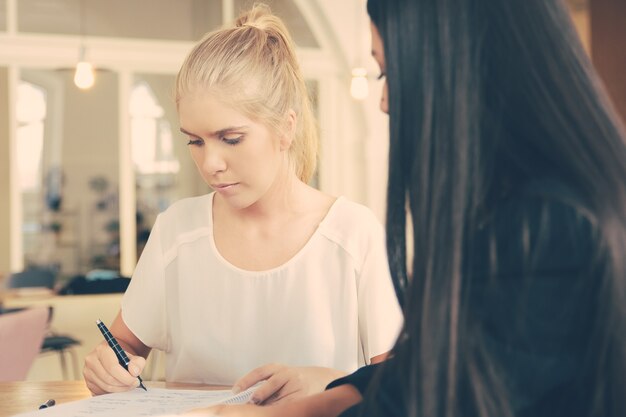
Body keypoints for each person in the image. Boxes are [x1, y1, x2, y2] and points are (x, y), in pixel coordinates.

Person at [195, 0, 626, 416]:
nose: (383, 100)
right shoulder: (536, 209)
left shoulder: (550, 232)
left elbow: (438, 402)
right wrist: (310, 405)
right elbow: (432, 372)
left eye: (390, 71)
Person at [82, 4, 402, 404]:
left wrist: (331, 381)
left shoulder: (354, 234)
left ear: (287, 127)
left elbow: (400, 386)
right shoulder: (177, 230)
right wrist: (107, 368)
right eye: (195, 141)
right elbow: (124, 349)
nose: (210, 164)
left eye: (230, 138)